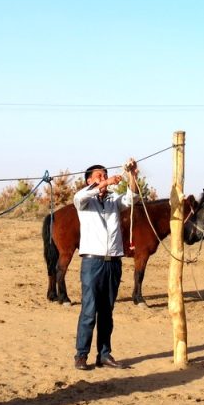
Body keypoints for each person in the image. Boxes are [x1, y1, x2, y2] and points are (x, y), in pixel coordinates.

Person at [72, 158, 140, 371]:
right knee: (89, 310)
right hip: (92, 263)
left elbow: (132, 198)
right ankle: (81, 355)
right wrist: (105, 182)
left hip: (113, 263)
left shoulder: (113, 200)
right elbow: (81, 196)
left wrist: (132, 175)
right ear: (89, 180)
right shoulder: (83, 200)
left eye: (105, 175)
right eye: (99, 176)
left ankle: (104, 354)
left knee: (107, 311)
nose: (104, 178)